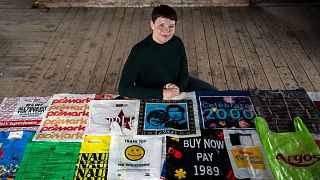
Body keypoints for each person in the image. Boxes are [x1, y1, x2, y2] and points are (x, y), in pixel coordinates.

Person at [119, 4, 217, 100]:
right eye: (161, 25)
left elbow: (184, 75)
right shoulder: (139, 51)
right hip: (153, 91)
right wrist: (162, 94)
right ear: (152, 24)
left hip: (176, 86)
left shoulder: (177, 43)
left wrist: (178, 87)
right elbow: (124, 88)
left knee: (215, 93)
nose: (166, 31)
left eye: (171, 26)